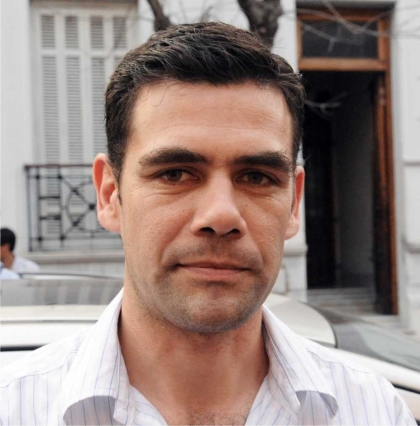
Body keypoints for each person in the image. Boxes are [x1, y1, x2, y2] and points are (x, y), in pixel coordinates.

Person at [0, 23, 415, 425]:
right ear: (110, 195)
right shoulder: (15, 409)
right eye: (175, 174)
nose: (221, 216)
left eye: (257, 177)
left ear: (294, 203)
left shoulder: (375, 410)